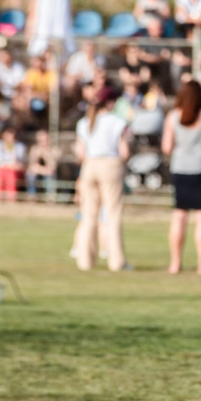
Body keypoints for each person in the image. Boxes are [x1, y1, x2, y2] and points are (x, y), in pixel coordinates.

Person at [162, 80, 201, 275]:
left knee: (179, 214)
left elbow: (166, 147)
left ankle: (175, 264)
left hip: (180, 167)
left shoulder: (173, 116)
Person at [75, 86, 129, 272]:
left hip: (89, 165)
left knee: (88, 215)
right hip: (110, 165)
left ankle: (85, 261)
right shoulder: (117, 122)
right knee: (113, 215)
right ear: (111, 102)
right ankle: (116, 262)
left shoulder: (84, 122)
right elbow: (124, 151)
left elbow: (80, 152)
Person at [0, 126, 25, 201]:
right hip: (2, 169)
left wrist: (12, 149)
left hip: (13, 170)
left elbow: (18, 163)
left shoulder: (19, 146)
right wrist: (11, 166)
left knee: (11, 175)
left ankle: (11, 199)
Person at [26, 129, 59, 199]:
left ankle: (50, 197)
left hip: (51, 173)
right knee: (31, 175)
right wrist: (43, 170)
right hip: (41, 171)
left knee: (49, 176)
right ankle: (32, 197)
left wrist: (46, 154)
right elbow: (32, 166)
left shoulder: (54, 149)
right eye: (40, 140)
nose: (43, 143)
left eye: (46, 140)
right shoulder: (34, 149)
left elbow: (53, 166)